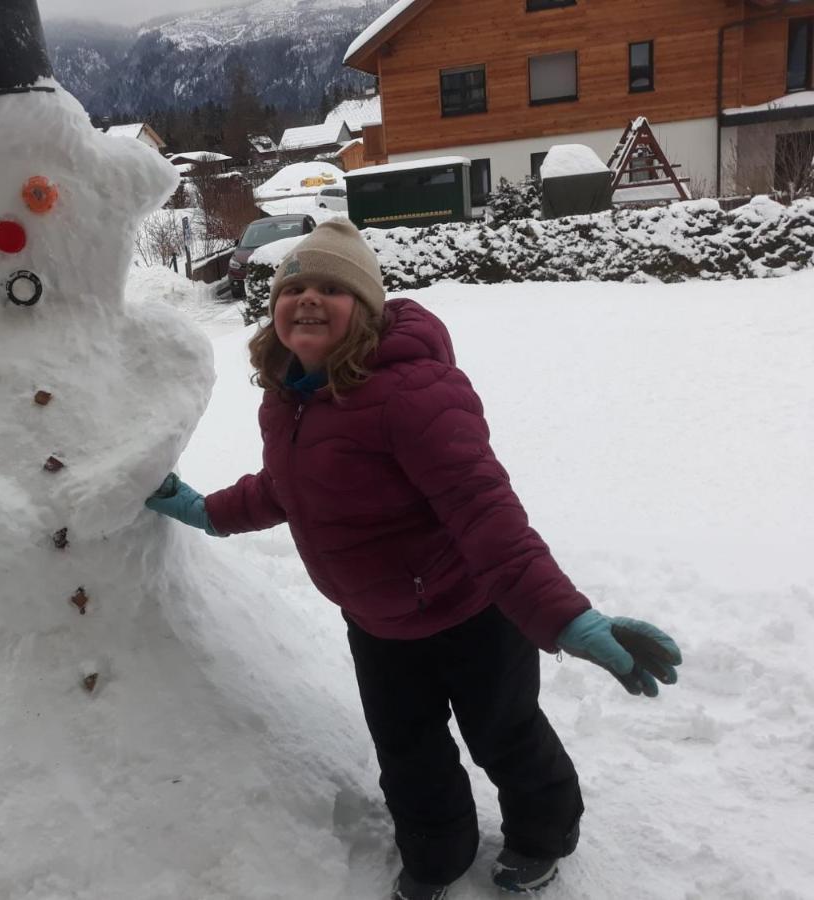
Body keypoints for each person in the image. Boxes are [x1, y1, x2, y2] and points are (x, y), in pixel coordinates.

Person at [144, 218, 682, 899]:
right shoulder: (289, 401)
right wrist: (202, 510)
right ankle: (437, 858)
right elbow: (285, 488)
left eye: (332, 288)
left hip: (472, 614)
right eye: (296, 286)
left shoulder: (412, 393)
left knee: (504, 736)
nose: (309, 298)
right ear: (273, 307)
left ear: (365, 311)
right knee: (408, 756)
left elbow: (486, 514)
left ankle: (543, 836)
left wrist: (568, 619)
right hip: (378, 626)